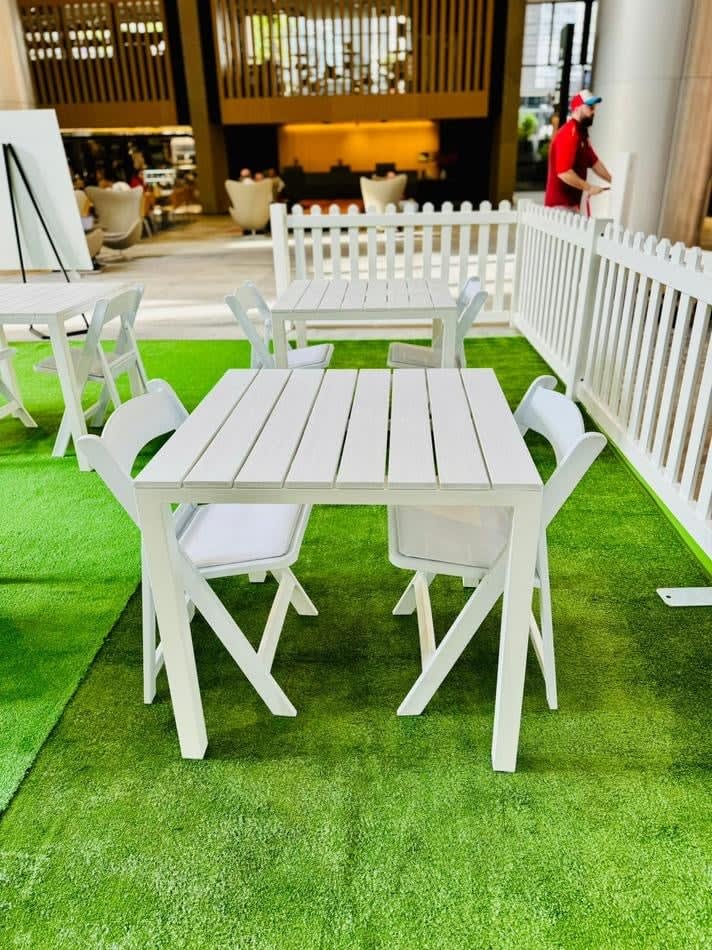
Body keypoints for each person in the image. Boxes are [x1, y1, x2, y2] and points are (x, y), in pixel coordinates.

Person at [545, 90, 612, 211]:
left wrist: (613, 181)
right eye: (590, 107)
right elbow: (564, 172)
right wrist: (589, 187)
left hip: (570, 205)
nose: (593, 112)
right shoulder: (569, 133)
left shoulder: (581, 135)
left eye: (594, 108)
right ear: (577, 108)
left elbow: (595, 162)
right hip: (559, 207)